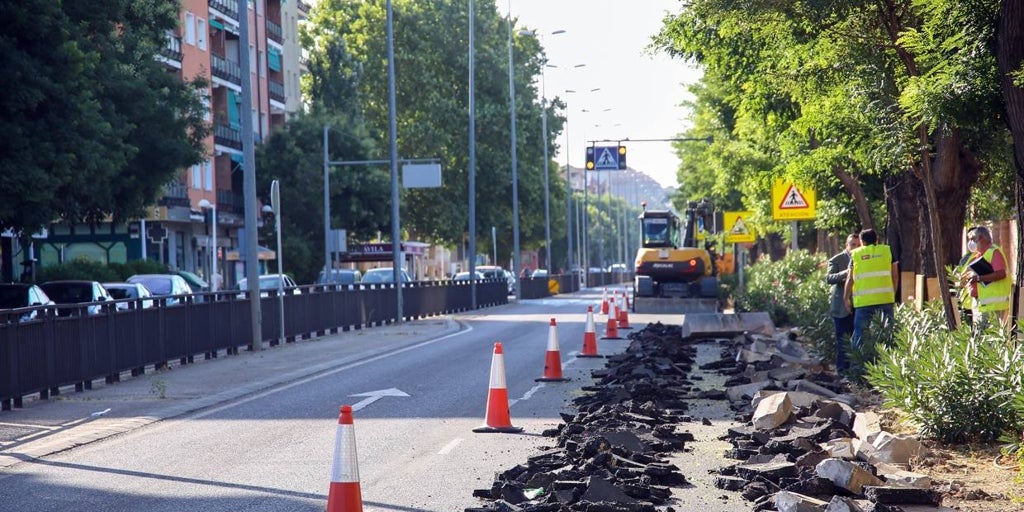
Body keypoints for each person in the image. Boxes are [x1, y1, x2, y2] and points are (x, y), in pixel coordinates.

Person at [844, 228, 898, 351]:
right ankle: (887, 360)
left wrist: (846, 297)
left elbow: (850, 278)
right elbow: (895, 275)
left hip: (864, 303)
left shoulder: (856, 254)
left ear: (862, 241)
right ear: (876, 240)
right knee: (887, 334)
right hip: (885, 300)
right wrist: (893, 293)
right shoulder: (887, 251)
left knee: (860, 335)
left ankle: (859, 362)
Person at [961, 226, 1010, 333]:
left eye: (973, 239)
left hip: (993, 307)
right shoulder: (977, 255)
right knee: (979, 337)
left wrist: (979, 278)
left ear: (982, 238)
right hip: (980, 305)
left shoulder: (994, 252)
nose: (971, 243)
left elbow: (1001, 274)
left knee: (989, 336)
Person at [825, 234, 860, 372]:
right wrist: (847, 272)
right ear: (846, 245)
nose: (856, 247)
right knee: (843, 340)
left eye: (858, 245)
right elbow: (829, 278)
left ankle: (855, 371)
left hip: (859, 304)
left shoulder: (864, 258)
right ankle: (842, 370)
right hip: (841, 307)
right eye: (853, 244)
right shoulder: (837, 259)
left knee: (857, 339)